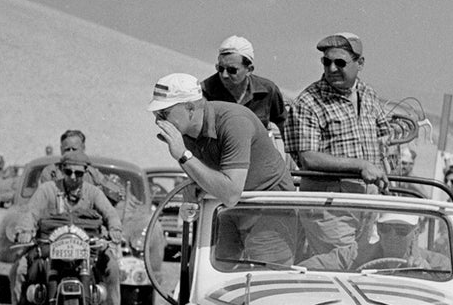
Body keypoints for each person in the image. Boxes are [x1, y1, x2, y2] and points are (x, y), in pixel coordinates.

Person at [283, 32, 420, 267]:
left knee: (361, 265)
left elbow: (381, 136)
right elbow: (308, 158)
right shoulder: (309, 101)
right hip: (330, 205)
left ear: (360, 64)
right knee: (343, 265)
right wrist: (361, 166)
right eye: (327, 62)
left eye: (340, 63)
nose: (332, 68)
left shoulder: (368, 95)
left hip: (366, 204)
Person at [148, 73, 297, 266]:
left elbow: (231, 193)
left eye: (164, 114)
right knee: (209, 273)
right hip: (229, 211)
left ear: (190, 108)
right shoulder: (184, 135)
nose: (158, 122)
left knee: (264, 281)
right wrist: (196, 188)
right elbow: (209, 181)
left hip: (268, 210)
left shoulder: (233, 122)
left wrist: (184, 156)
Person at [11, 154, 123, 305]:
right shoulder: (47, 190)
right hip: (49, 246)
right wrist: (25, 231)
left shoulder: (93, 192)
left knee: (113, 267)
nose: (73, 176)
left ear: (85, 173)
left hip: (88, 249)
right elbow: (31, 213)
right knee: (21, 268)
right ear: (62, 171)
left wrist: (115, 229)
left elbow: (110, 213)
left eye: (78, 173)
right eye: (68, 172)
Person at [199, 35, 288, 137]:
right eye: (220, 68)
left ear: (249, 70)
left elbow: (285, 125)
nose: (224, 75)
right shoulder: (204, 92)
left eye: (232, 70)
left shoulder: (268, 90)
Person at [43, 129, 127, 205]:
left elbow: (113, 192)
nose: (71, 153)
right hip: (57, 219)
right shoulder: (50, 172)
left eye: (74, 149)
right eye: (67, 149)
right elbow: (44, 199)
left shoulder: (92, 173)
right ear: (61, 149)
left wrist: (114, 192)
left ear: (83, 149)